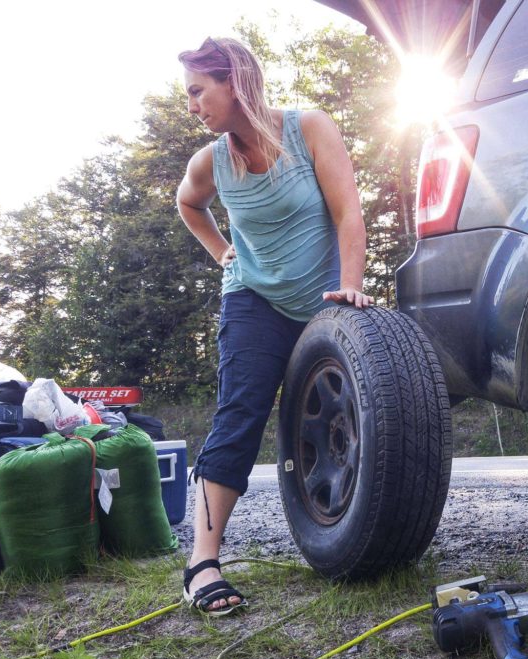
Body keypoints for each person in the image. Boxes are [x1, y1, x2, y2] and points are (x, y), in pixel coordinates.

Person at [175, 37, 373, 615]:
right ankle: (202, 563)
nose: (192, 106)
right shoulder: (210, 161)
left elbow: (348, 212)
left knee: (352, 414)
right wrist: (220, 252)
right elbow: (188, 204)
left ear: (233, 78)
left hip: (323, 297)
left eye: (197, 91)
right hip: (254, 300)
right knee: (240, 411)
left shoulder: (308, 128)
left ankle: (355, 534)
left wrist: (352, 283)